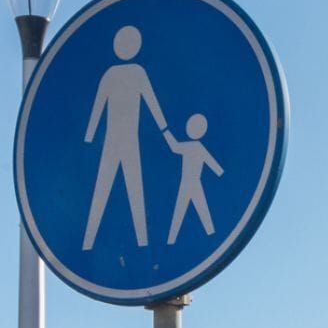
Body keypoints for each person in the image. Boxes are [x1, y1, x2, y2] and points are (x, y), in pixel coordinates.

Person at [82, 25, 169, 251]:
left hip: (126, 140)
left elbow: (151, 102)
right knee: (113, 186)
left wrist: (165, 130)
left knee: (129, 186)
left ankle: (138, 241)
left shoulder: (129, 73)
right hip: (117, 139)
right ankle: (92, 241)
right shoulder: (121, 74)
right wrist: (89, 136)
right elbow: (100, 105)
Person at [163, 114, 223, 244]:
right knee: (189, 209)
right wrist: (219, 172)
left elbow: (174, 146)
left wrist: (165, 131)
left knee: (188, 210)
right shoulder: (195, 147)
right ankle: (172, 239)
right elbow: (175, 147)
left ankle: (172, 239)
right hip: (191, 182)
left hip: (191, 183)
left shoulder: (193, 147)